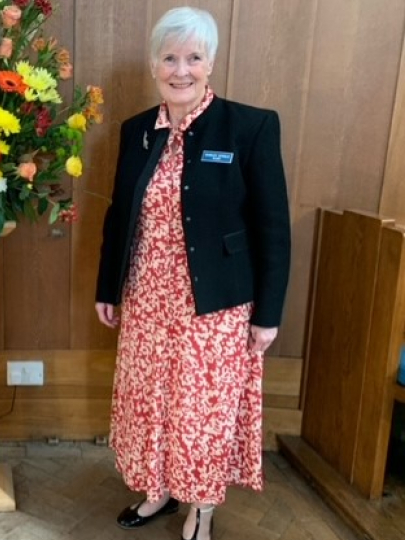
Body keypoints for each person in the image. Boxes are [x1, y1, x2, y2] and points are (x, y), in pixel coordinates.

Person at [94, 7, 290, 540]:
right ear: (154, 63)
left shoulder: (249, 127)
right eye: (170, 58)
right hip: (147, 301)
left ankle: (200, 508)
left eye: (194, 58)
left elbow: (273, 227)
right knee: (150, 405)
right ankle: (157, 490)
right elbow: (119, 214)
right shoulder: (137, 131)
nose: (181, 70)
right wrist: (107, 287)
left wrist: (267, 315)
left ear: (211, 63)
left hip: (217, 307)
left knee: (200, 414)